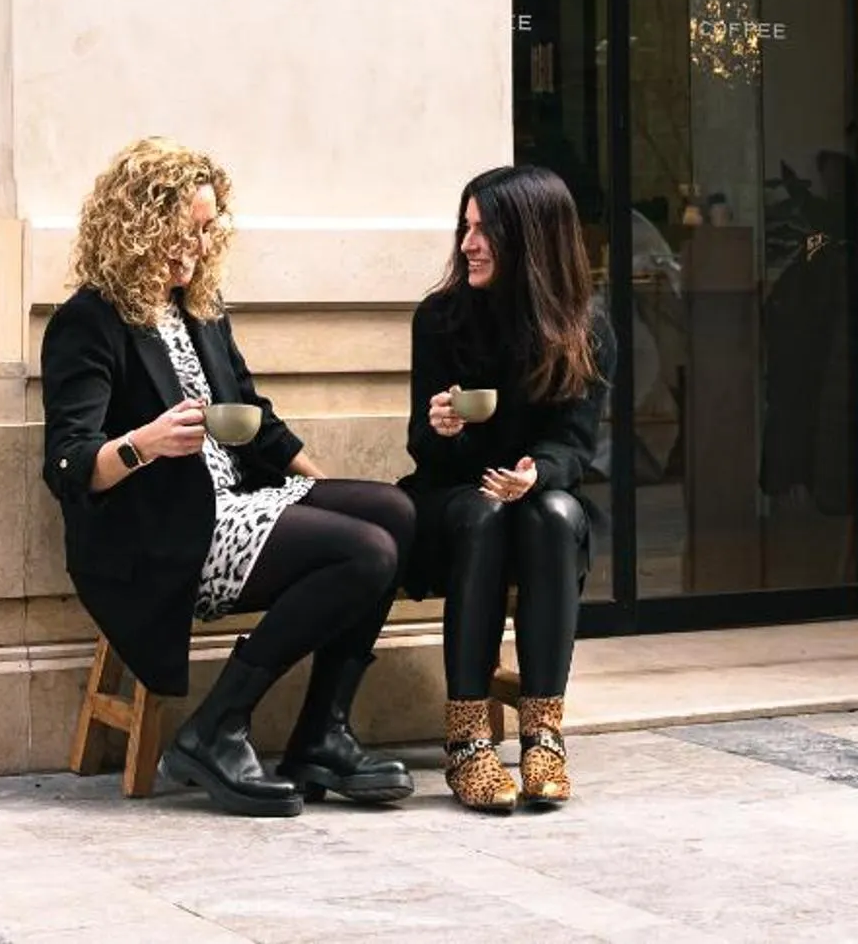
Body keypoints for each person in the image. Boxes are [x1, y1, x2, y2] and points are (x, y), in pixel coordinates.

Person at [40, 137, 417, 815]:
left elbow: (256, 421)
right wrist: (144, 444)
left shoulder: (201, 310)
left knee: (392, 514)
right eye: (186, 229)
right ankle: (217, 727)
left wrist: (324, 492)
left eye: (207, 229)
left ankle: (319, 735)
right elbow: (69, 466)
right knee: (367, 551)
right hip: (162, 534)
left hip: (238, 504)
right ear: (140, 224)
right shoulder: (87, 323)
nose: (197, 245)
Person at [400, 165, 611, 812]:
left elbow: (574, 446)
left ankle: (542, 732)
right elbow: (422, 447)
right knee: (487, 512)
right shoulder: (439, 319)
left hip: (532, 500)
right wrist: (442, 428)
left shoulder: (584, 327)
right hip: (451, 502)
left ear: (530, 238)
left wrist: (535, 475)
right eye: (464, 228)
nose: (467, 244)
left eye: (484, 230)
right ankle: (466, 738)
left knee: (550, 512)